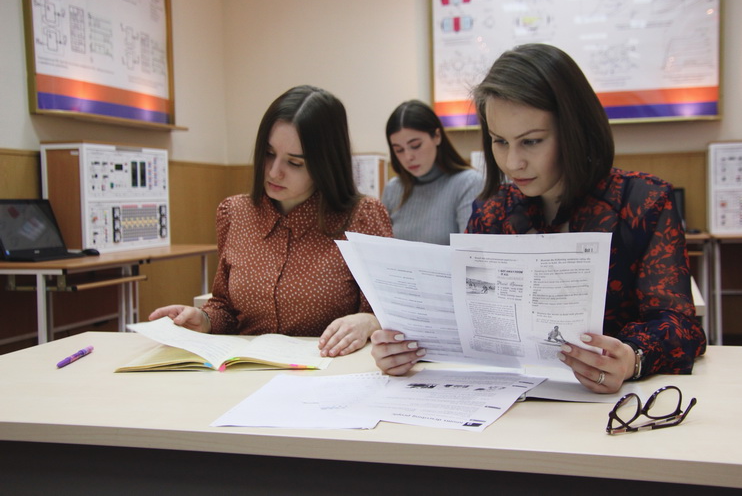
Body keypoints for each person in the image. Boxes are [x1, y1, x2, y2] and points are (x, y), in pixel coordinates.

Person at [370, 44, 707, 393]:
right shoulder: (492, 213)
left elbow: (681, 326)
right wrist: (405, 347)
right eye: (499, 141)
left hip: (613, 404)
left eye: (531, 142)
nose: (512, 162)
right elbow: (462, 320)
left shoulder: (642, 203)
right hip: (511, 400)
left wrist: (632, 357)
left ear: (574, 130)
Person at [149, 85, 393, 357]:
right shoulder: (235, 213)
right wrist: (203, 320)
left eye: (295, 163)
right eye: (268, 153)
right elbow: (225, 308)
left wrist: (369, 322)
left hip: (329, 369)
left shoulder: (362, 217)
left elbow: (391, 312)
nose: (275, 172)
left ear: (326, 164)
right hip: (246, 369)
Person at [382, 100, 483, 245]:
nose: (408, 157)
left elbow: (470, 252)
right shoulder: (393, 188)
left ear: (437, 136)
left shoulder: (468, 183)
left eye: (415, 145)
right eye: (399, 150)